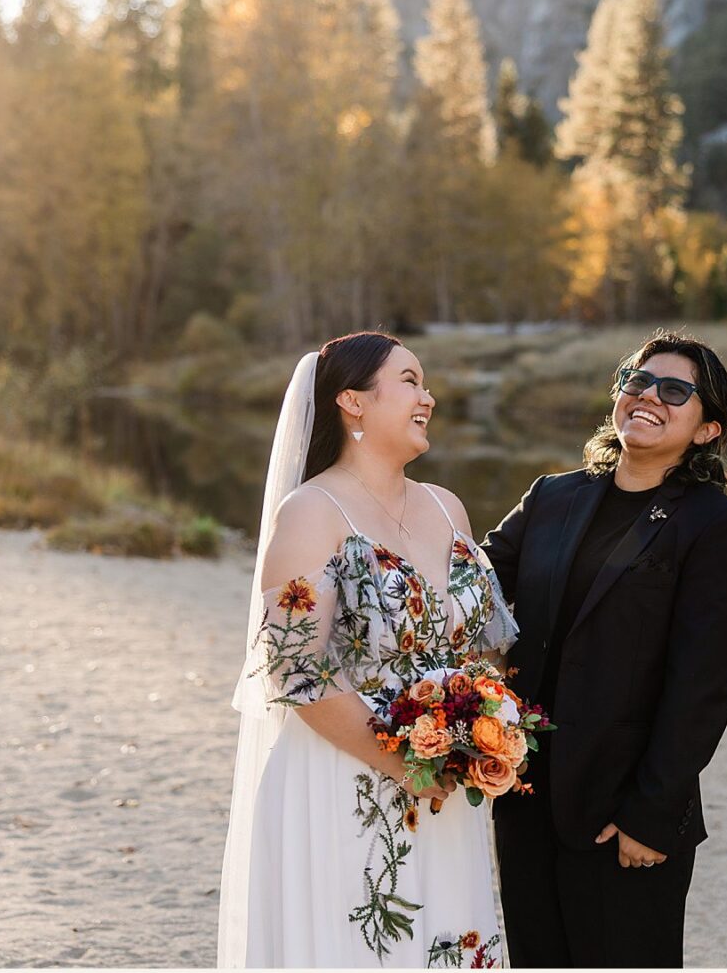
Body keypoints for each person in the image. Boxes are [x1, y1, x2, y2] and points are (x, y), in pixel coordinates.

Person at [217, 332, 517, 968]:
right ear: (352, 401)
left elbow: (484, 648)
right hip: (343, 776)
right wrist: (404, 763)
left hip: (443, 782)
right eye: (410, 381)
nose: (427, 397)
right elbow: (295, 669)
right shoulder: (310, 513)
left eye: (425, 383)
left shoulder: (448, 506)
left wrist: (486, 730)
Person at [482, 331, 727, 968]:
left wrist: (650, 814)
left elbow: (703, 685)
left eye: (675, 391)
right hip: (524, 790)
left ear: (708, 429)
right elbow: (471, 585)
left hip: (625, 807)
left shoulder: (715, 527)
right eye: (637, 380)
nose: (648, 396)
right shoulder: (552, 496)